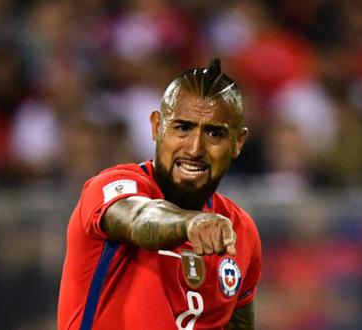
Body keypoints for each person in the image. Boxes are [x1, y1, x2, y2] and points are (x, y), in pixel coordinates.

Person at [58, 58, 262, 330]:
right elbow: (140, 218)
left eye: (214, 133)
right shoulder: (111, 187)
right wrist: (189, 223)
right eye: (183, 128)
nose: (194, 148)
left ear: (238, 142)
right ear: (157, 126)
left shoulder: (241, 231)